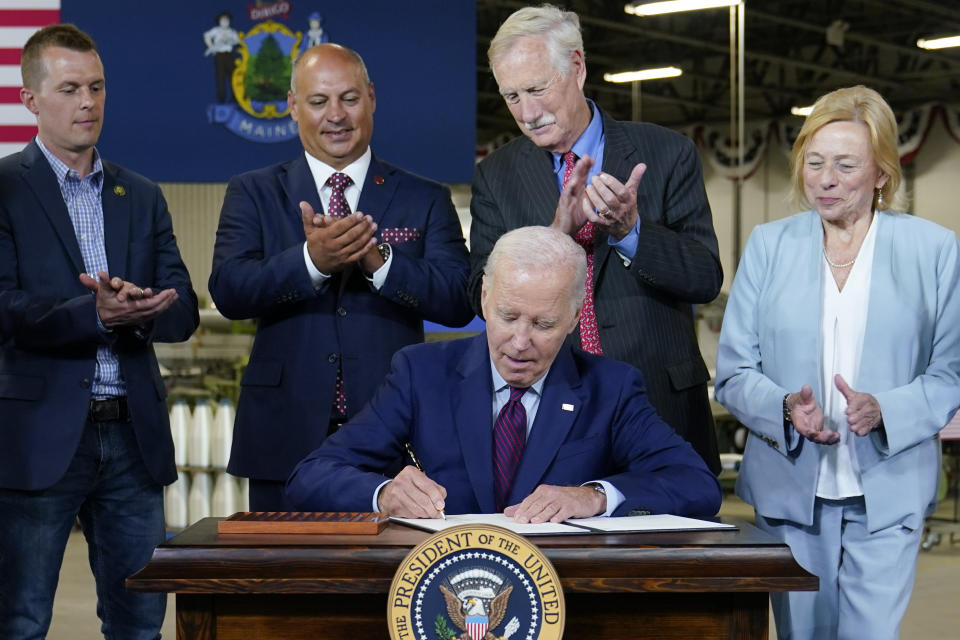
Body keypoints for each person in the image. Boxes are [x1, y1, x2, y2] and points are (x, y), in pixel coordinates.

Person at [715, 85, 960, 640]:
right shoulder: (768, 245)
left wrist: (886, 410)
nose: (825, 179)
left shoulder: (934, 249)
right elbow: (733, 371)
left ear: (880, 173)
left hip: (888, 491)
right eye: (815, 162)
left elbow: (950, 373)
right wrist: (781, 408)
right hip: (790, 494)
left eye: (845, 165)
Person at [287, 226, 721, 521]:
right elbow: (310, 477)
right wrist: (384, 494)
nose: (519, 341)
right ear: (484, 297)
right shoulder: (420, 373)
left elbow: (696, 484)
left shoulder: (612, 387)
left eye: (544, 325)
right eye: (508, 316)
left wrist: (595, 496)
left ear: (574, 318)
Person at [210, 43, 473, 511]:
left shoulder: (425, 197)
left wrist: (380, 260)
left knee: (387, 584)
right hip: (282, 432)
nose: (336, 115)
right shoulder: (252, 192)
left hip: (395, 436)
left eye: (350, 98)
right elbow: (230, 290)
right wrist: (311, 260)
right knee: (285, 581)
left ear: (371, 97)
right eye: (318, 101)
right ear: (293, 106)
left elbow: (458, 299)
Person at [0, 24, 199, 640]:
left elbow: (185, 307)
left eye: (96, 87)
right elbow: (6, 306)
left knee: (140, 621)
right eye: (69, 89)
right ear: (31, 99)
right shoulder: (5, 189)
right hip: (38, 443)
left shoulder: (139, 195)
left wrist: (146, 310)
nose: (87, 102)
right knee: (21, 619)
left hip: (133, 442)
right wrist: (95, 315)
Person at [470, 4, 723, 475]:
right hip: (547, 414)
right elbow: (475, 290)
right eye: (511, 96)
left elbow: (706, 276)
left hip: (659, 405)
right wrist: (554, 238)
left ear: (577, 66)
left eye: (538, 89)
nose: (527, 112)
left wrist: (632, 233)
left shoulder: (667, 154)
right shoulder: (497, 176)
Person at [203, 11, 240, 104]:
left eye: (226, 19)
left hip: (230, 55)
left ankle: (235, 97)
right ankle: (221, 98)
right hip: (219, 56)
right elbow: (206, 36)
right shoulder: (216, 30)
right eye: (223, 19)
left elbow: (238, 41)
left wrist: (232, 41)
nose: (225, 21)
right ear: (219, 21)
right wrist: (212, 48)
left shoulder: (232, 32)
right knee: (220, 77)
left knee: (233, 76)